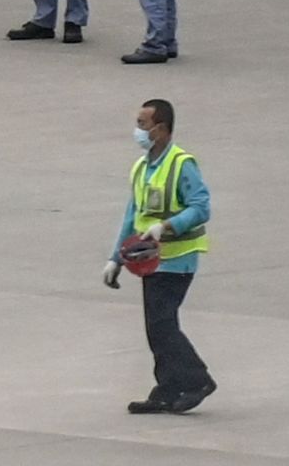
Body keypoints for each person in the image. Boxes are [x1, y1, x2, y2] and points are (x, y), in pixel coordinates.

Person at [106, 98, 215, 413]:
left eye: (143, 124)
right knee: (156, 326)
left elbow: (201, 207)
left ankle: (196, 379)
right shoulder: (142, 167)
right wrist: (116, 258)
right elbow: (133, 214)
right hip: (148, 260)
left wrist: (167, 226)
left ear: (162, 128)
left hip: (178, 259)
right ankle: (169, 387)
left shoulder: (182, 164)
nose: (138, 130)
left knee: (163, 324)